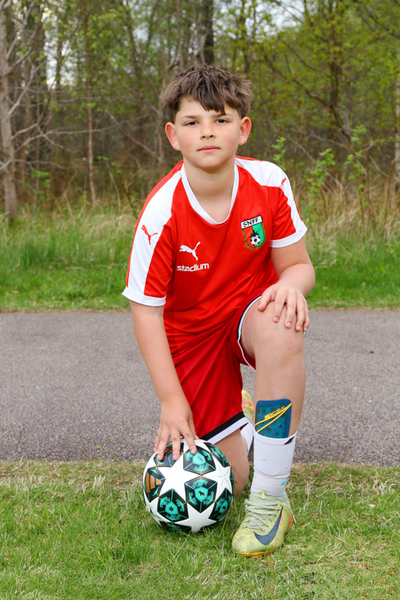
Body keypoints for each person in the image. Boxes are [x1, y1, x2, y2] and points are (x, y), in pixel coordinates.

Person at [123, 64, 315, 557]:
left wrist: (291, 287)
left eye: (220, 119)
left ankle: (271, 502)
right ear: (174, 135)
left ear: (242, 129)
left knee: (282, 325)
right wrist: (172, 401)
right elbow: (146, 313)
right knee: (233, 476)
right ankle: (248, 421)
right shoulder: (161, 213)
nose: (207, 132)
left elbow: (298, 267)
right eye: (193, 122)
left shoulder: (269, 182)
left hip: (250, 314)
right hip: (191, 337)